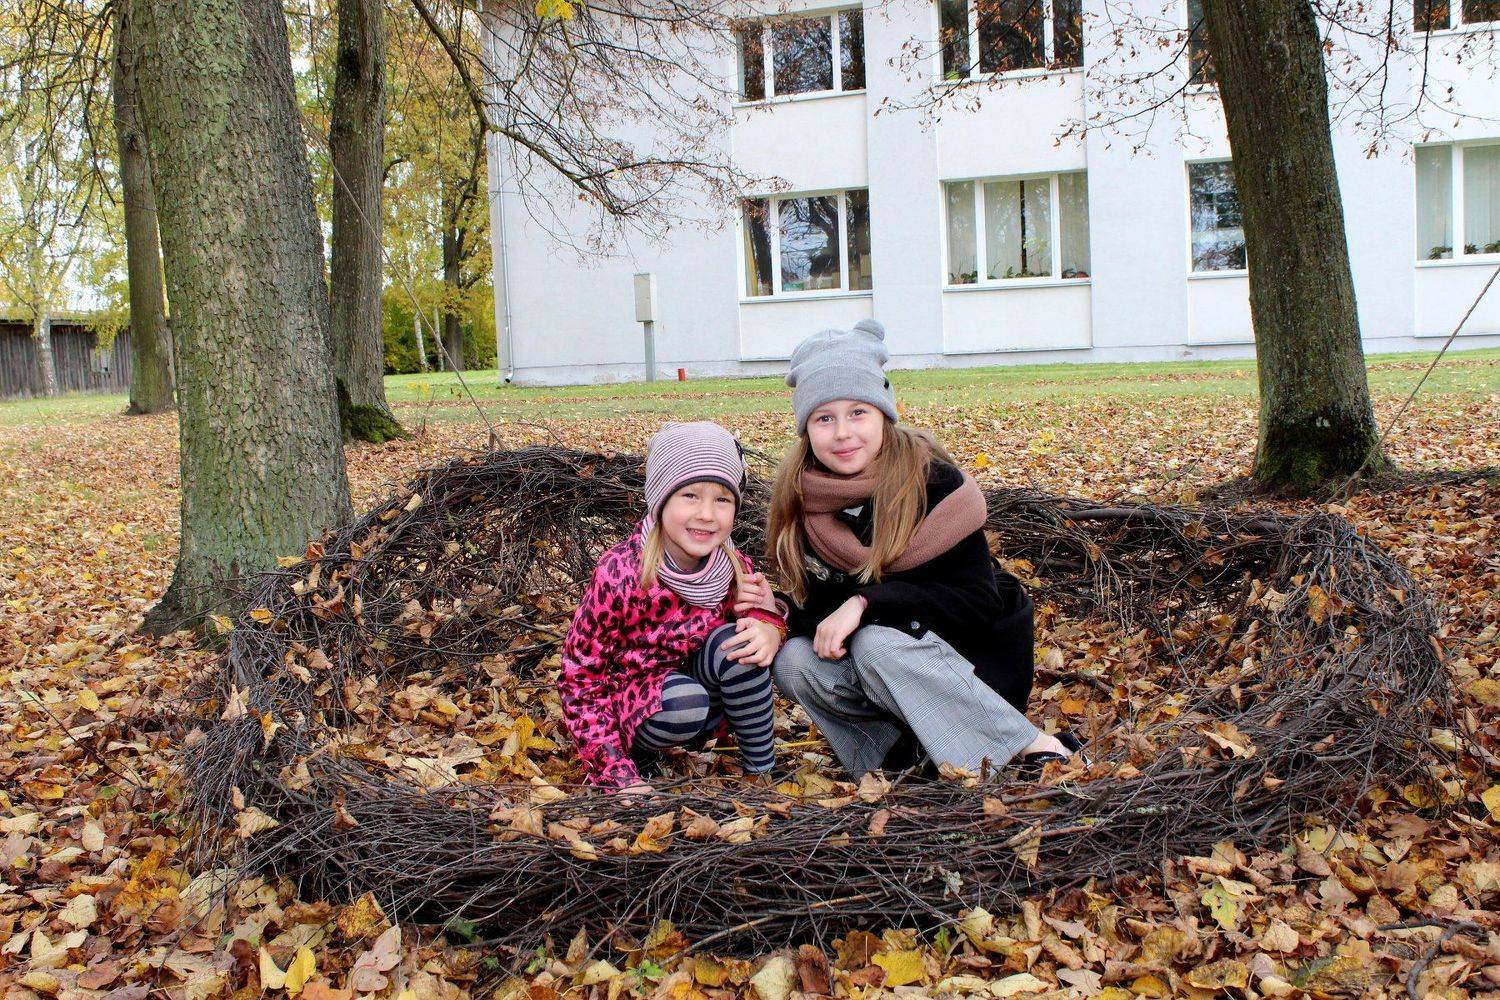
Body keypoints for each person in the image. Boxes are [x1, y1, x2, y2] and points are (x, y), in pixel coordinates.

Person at [767, 319, 1082, 779]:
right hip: (890, 672)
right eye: (824, 418)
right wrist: (776, 615)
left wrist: (866, 603)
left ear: (885, 413)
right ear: (806, 429)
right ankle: (899, 761)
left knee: (874, 641)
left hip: (976, 661)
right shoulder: (807, 500)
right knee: (795, 661)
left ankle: (1029, 743)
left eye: (858, 412)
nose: (842, 433)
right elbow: (822, 612)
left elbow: (976, 601)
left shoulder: (932, 482)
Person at [558, 421, 787, 793]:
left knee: (739, 645)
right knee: (684, 701)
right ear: (661, 499)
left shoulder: (733, 567)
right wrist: (615, 772)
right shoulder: (621, 573)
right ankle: (638, 757)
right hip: (633, 705)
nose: (707, 514)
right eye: (690, 496)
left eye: (722, 500)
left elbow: (761, 623)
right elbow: (580, 678)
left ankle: (761, 773)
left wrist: (767, 621)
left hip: (699, 699)